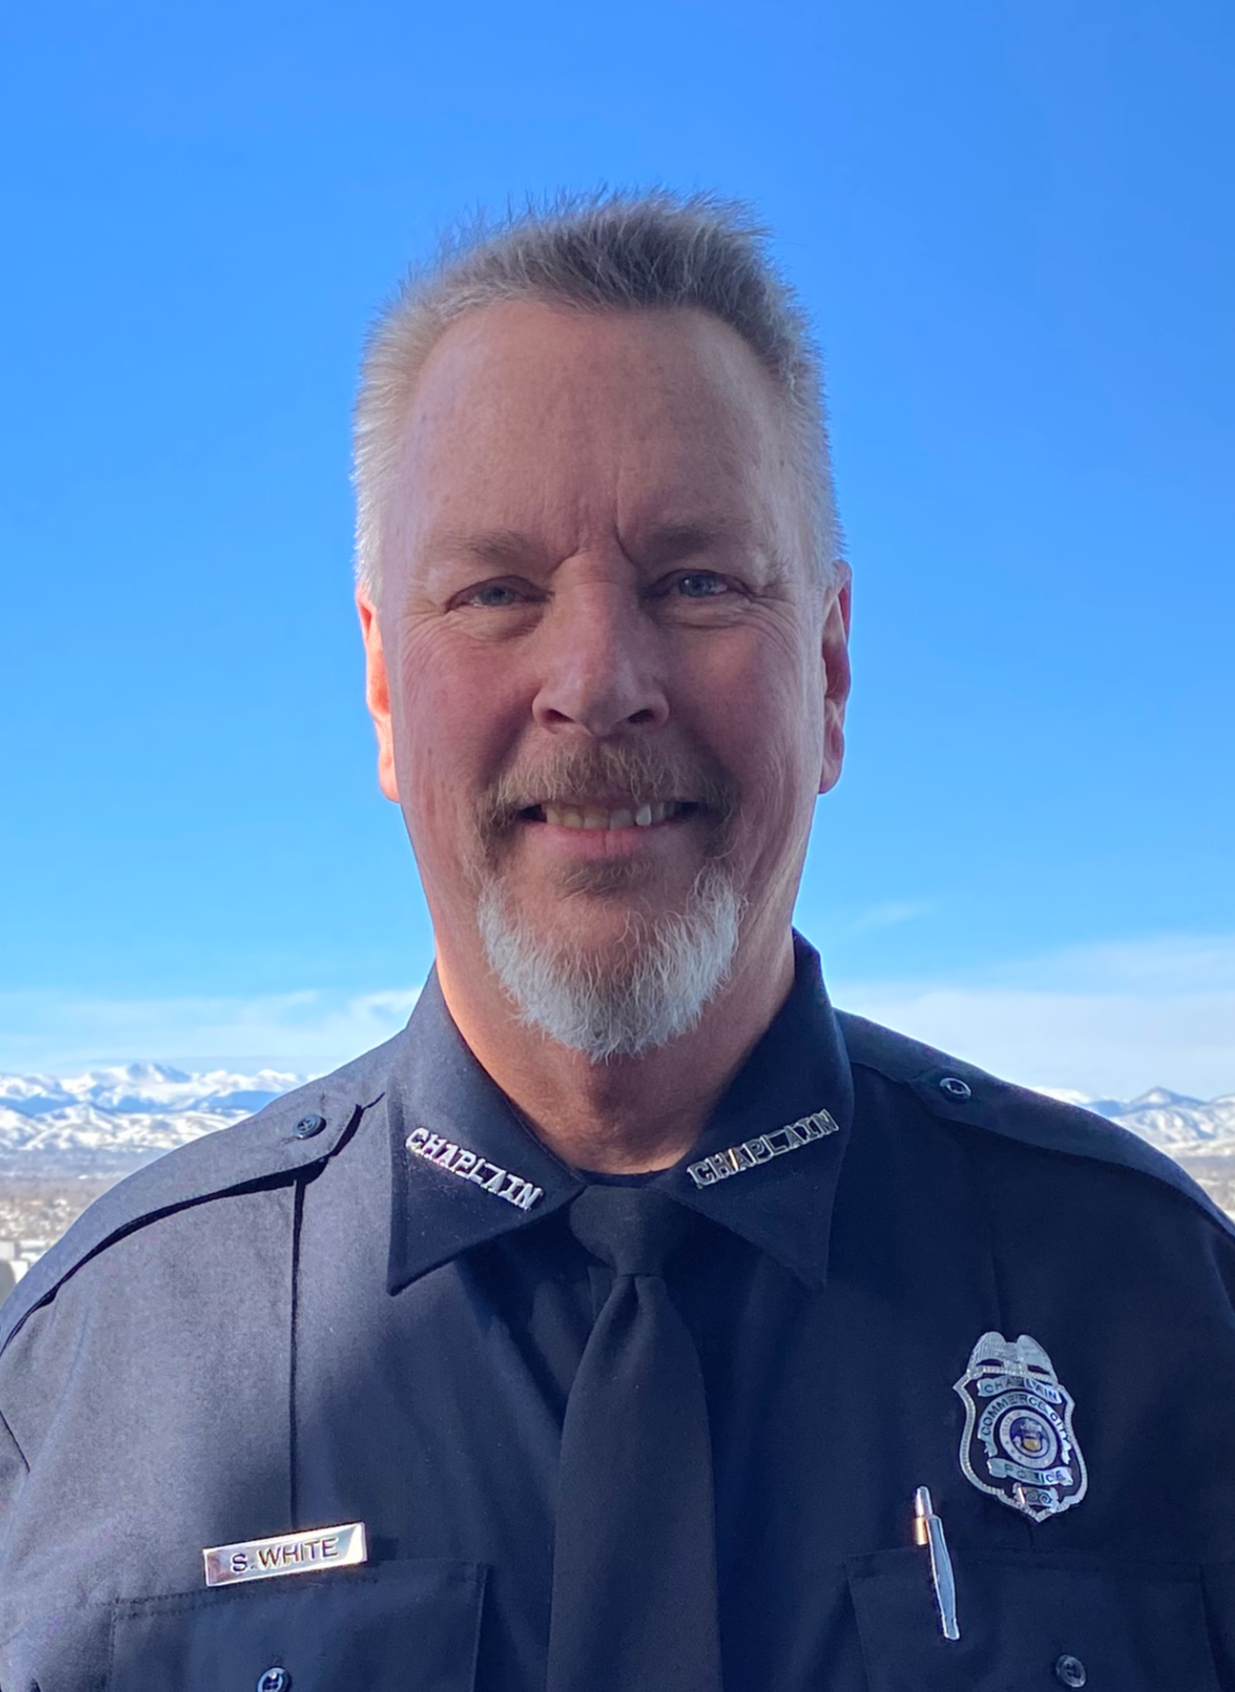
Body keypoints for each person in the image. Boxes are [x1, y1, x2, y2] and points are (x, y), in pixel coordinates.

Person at [1, 190, 1232, 1692]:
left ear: (830, 671)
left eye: (697, 582)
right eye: (496, 591)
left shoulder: (1160, 1317)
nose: (596, 679)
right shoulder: (96, 1384)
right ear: (383, 691)